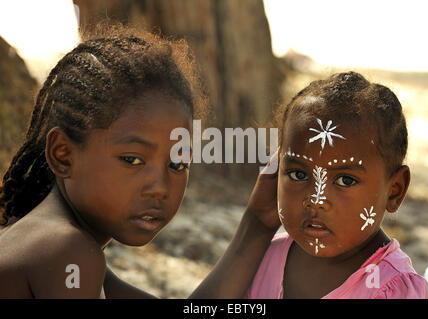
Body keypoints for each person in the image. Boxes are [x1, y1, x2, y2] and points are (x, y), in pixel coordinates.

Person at [0, 23, 280, 298]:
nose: (159, 187)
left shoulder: (59, 246)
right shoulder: (66, 251)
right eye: (132, 160)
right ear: (63, 154)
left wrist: (257, 222)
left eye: (178, 164)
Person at [246, 71, 428, 299]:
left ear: (394, 191)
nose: (316, 199)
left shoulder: (392, 288)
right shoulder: (263, 258)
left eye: (345, 180)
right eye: (298, 174)